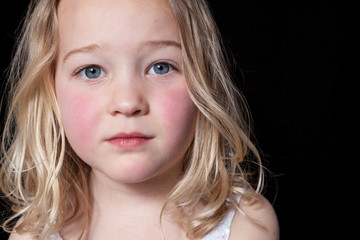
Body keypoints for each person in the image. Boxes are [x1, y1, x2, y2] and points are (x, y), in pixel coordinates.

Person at [0, 0, 279, 239]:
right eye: (92, 71)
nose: (128, 102)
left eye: (160, 67)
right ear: (51, 91)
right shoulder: (36, 232)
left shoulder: (243, 224)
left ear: (203, 82)